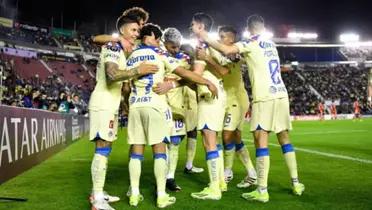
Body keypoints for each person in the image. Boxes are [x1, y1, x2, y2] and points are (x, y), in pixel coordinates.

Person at [194, 14, 305, 203]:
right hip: (281, 94)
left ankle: (261, 190)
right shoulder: (271, 44)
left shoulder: (251, 43)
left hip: (264, 97)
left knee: (260, 139)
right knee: (284, 137)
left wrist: (203, 34)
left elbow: (226, 49)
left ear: (249, 28)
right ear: (263, 27)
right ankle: (296, 182)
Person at [125, 23, 218, 208]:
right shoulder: (160, 54)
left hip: (136, 105)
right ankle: (161, 195)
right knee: (160, 150)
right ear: (150, 36)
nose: (159, 42)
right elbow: (185, 73)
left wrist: (127, 104)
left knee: (137, 150)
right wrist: (207, 81)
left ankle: (134, 194)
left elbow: (126, 86)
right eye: (158, 38)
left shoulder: (132, 55)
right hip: (155, 104)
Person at [88, 14, 158, 210]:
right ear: (122, 31)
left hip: (110, 104)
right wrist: (138, 71)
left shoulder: (121, 49)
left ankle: (97, 192)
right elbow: (112, 75)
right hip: (103, 103)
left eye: (138, 30)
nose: (136, 34)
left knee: (105, 148)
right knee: (103, 148)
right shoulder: (112, 46)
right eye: (133, 30)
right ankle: (98, 200)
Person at [197, 25, 257, 188]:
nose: (220, 38)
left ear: (231, 39)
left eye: (223, 36)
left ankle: (227, 172)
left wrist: (208, 58)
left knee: (227, 135)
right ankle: (252, 173)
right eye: (219, 35)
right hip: (228, 98)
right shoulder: (221, 51)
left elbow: (223, 70)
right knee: (236, 137)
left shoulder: (235, 54)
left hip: (236, 99)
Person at [189, 13, 229, 200]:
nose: (191, 27)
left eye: (193, 24)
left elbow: (196, 73)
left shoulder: (202, 45)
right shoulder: (214, 44)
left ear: (200, 26)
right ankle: (220, 182)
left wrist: (174, 76)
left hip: (208, 97)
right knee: (216, 141)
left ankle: (214, 188)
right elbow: (224, 71)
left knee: (208, 141)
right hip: (219, 95)